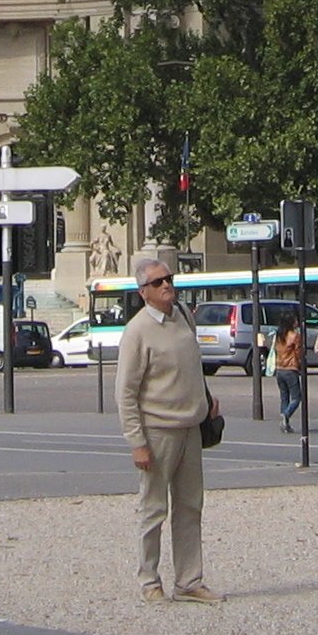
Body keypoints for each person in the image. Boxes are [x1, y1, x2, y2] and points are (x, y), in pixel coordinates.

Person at [115, 250, 221, 606]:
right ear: (143, 291)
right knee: (153, 508)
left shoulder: (183, 318)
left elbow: (193, 365)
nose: (167, 286)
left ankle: (190, 580)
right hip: (157, 430)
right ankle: (149, 581)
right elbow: (125, 392)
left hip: (191, 426)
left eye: (169, 279)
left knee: (191, 506)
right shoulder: (137, 332)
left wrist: (206, 401)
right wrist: (137, 442)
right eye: (158, 282)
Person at [271, 314, 305, 434]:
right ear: (291, 322)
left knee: (284, 397)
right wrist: (301, 363)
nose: (297, 322)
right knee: (296, 397)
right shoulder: (295, 336)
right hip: (290, 368)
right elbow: (298, 352)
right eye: (295, 320)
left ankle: (285, 424)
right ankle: (286, 415)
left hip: (279, 368)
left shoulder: (279, 335)